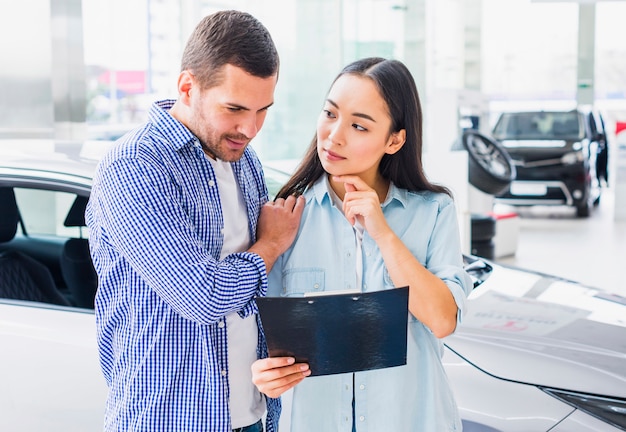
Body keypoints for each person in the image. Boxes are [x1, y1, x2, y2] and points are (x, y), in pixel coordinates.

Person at [85, 10, 304, 432]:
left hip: (254, 418)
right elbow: (203, 297)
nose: (251, 128)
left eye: (263, 110)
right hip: (167, 421)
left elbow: (259, 294)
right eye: (235, 108)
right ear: (187, 87)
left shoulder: (245, 161)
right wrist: (270, 245)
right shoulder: (134, 167)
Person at [250, 57, 473, 431]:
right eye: (329, 114)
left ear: (394, 139)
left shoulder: (434, 211)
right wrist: (264, 375)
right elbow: (263, 340)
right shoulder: (286, 218)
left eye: (358, 126)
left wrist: (383, 233)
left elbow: (442, 320)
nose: (334, 136)